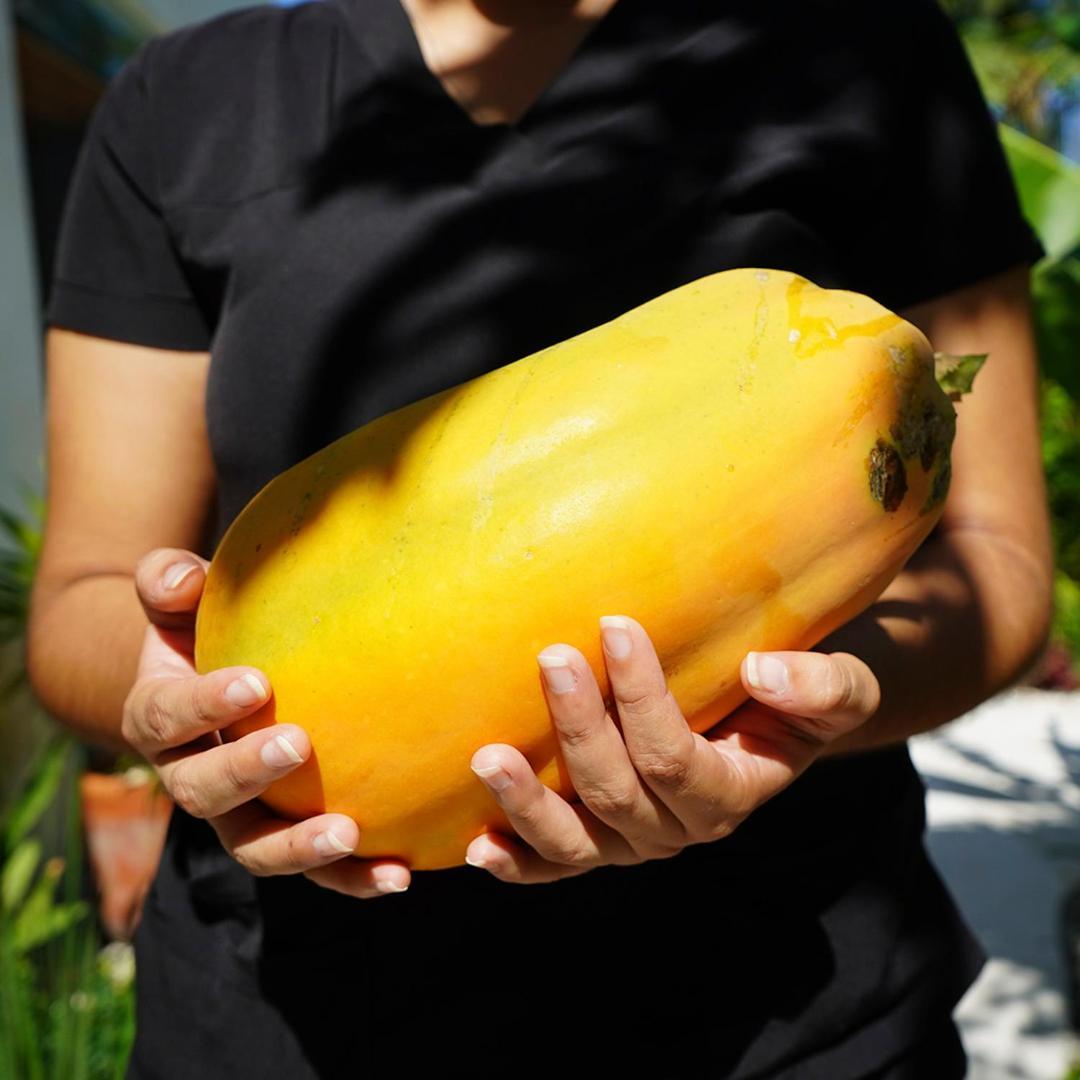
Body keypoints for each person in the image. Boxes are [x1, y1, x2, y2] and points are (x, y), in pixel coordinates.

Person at [27, 0, 1053, 1075]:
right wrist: (187, 703)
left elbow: (1001, 564)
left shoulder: (864, 43)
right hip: (291, 1021)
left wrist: (772, 715)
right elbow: (82, 597)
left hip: (788, 1019)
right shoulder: (191, 100)